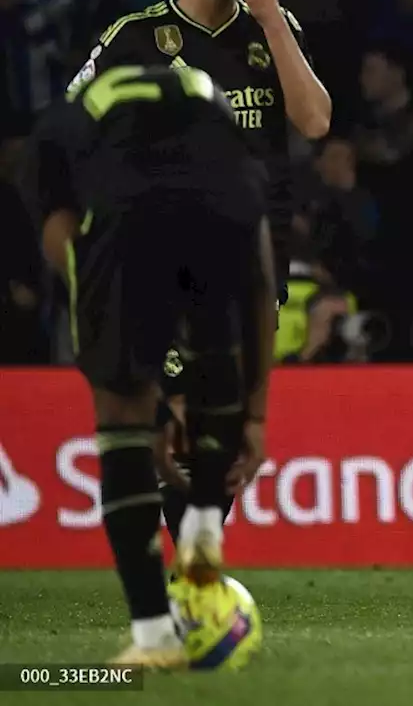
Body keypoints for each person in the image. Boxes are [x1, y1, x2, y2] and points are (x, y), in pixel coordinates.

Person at [63, 0, 331, 546]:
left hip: (251, 256)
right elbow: (69, 130)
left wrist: (271, 18)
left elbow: (316, 120)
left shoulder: (272, 29)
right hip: (162, 255)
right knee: (179, 420)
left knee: (223, 439)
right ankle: (181, 591)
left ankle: (189, 579)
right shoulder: (136, 38)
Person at [33, 65, 276, 666]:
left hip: (124, 211)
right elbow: (259, 284)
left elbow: (60, 234)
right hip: (224, 203)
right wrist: (257, 415)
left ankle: (153, 637)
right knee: (219, 342)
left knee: (120, 421)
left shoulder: (55, 135)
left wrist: (133, 375)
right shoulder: (218, 115)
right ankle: (202, 526)